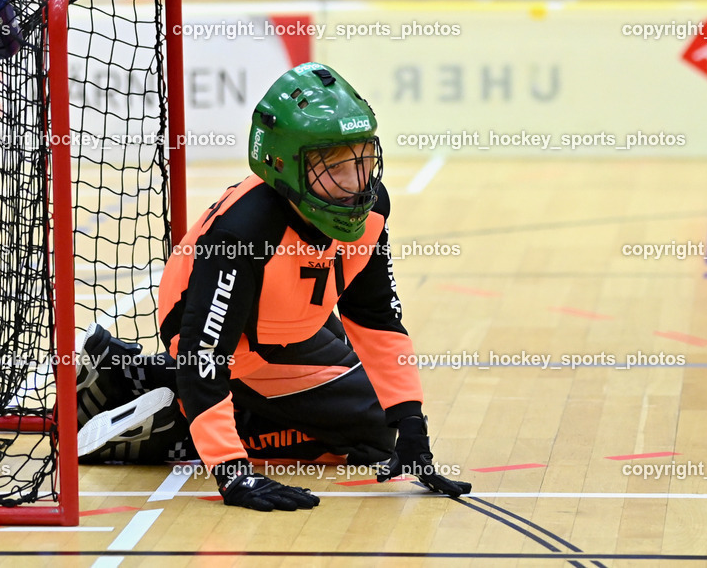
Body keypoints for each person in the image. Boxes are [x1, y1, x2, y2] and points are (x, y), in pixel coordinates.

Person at [75, 63, 471, 512]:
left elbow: (376, 318)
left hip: (291, 323)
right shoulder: (245, 230)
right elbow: (204, 354)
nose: (354, 183)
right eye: (334, 166)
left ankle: (123, 373)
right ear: (283, 164)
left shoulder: (371, 208)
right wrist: (232, 472)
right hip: (225, 338)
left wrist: (412, 424)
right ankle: (176, 423)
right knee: (369, 432)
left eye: (360, 159)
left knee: (387, 419)